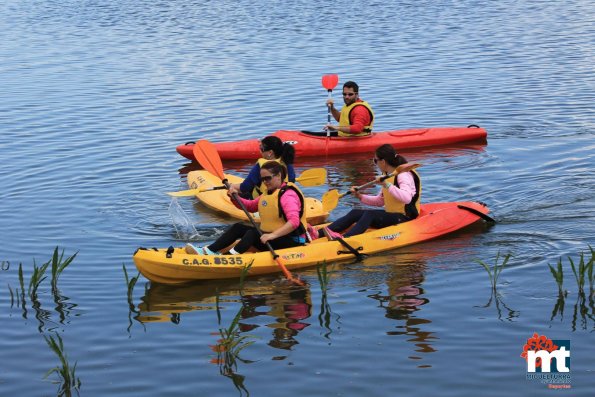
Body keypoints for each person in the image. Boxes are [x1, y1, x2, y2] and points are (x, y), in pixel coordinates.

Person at [186, 161, 308, 255]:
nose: (265, 182)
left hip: (291, 241)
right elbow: (250, 207)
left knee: (252, 233)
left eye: (268, 178)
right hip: (274, 237)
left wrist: (271, 236)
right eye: (262, 179)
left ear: (279, 176)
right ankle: (209, 250)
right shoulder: (269, 193)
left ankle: (228, 257)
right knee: (238, 227)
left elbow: (294, 222)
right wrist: (234, 197)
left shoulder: (288, 195)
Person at [321, 144, 421, 238]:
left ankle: (345, 239)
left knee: (370, 215)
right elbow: (380, 201)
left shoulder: (403, 175)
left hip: (405, 218)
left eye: (375, 160)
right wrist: (359, 196)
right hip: (393, 215)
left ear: (383, 161)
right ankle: (318, 234)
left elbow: (407, 198)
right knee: (356, 212)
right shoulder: (387, 175)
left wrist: (386, 185)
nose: (375, 163)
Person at [230, 135, 296, 198]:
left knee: (235, 193)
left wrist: (232, 186)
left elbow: (245, 187)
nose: (260, 151)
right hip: (283, 197)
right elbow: (292, 180)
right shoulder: (287, 162)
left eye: (262, 148)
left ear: (270, 152)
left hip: (262, 201)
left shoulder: (261, 166)